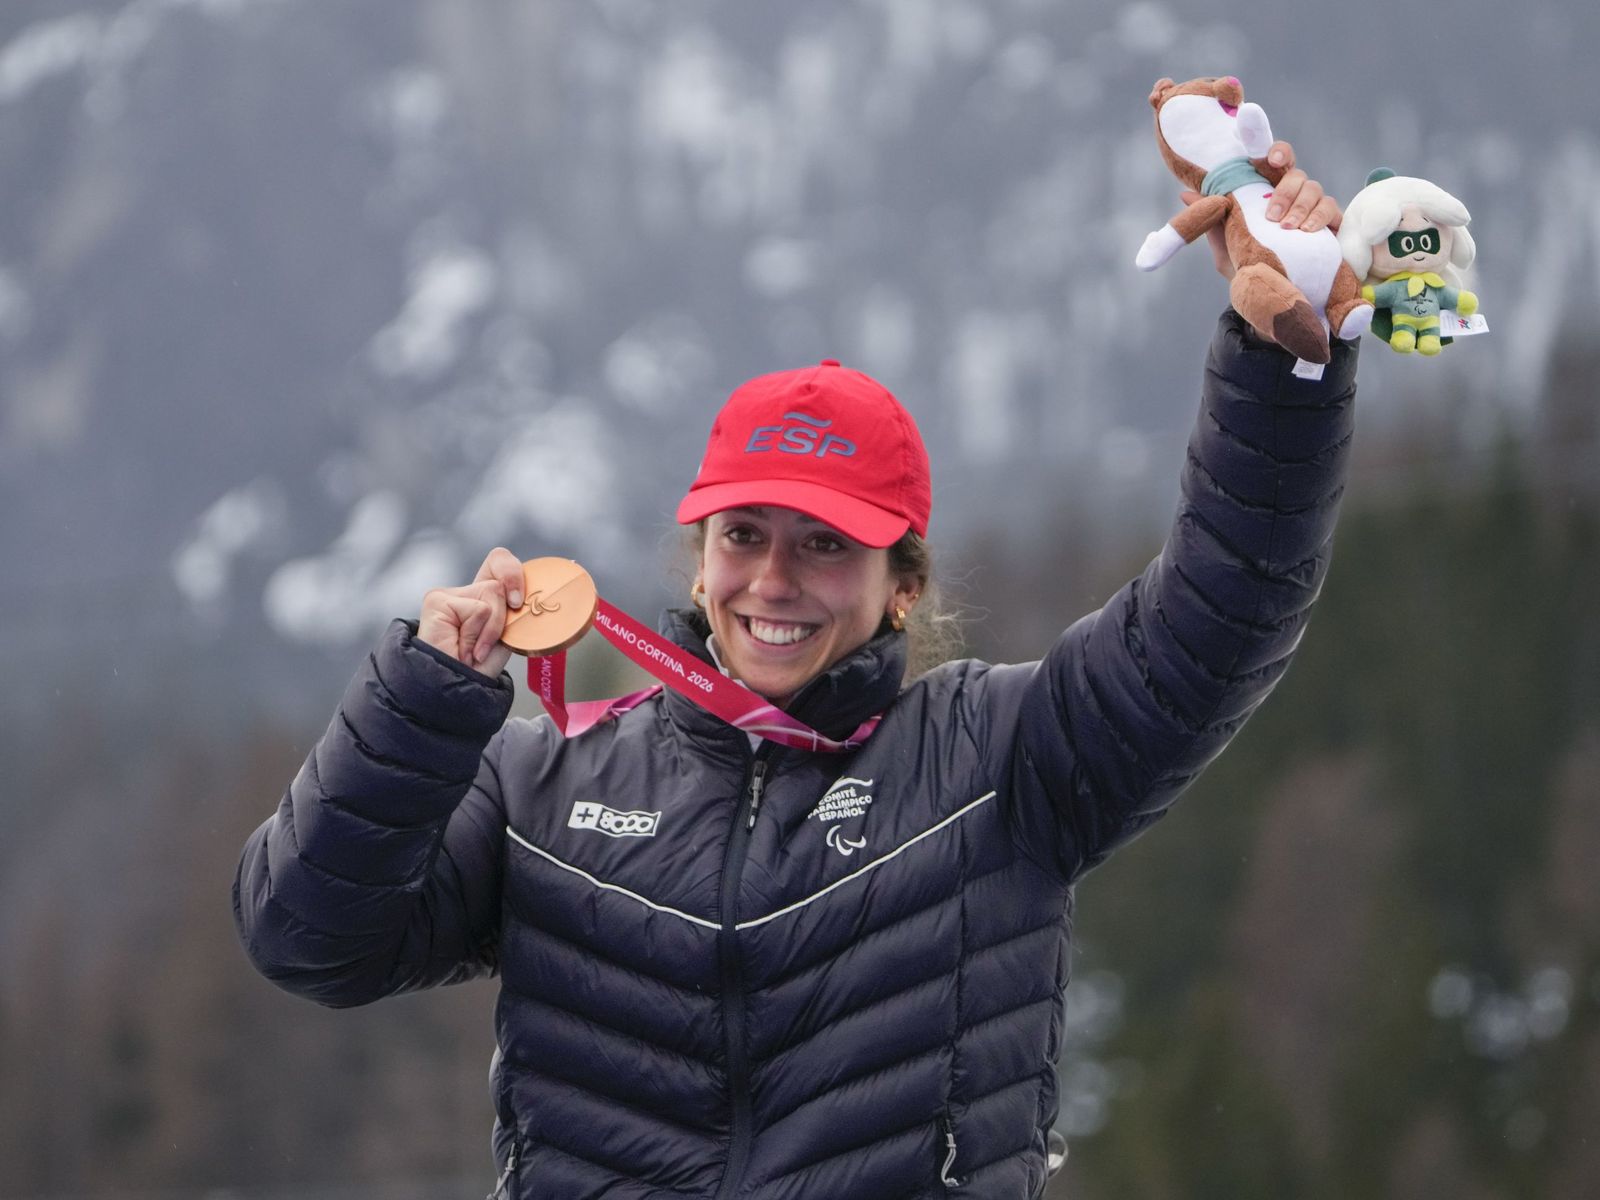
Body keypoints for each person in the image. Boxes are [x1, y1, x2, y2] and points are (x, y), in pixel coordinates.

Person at [234, 145, 1357, 1199]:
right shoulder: (542, 785)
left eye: (826, 545)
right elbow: (305, 939)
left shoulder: (1001, 758)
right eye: (743, 537)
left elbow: (1224, 614)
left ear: (901, 585)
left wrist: (1285, 366)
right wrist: (425, 703)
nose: (773, 581)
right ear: (701, 555)